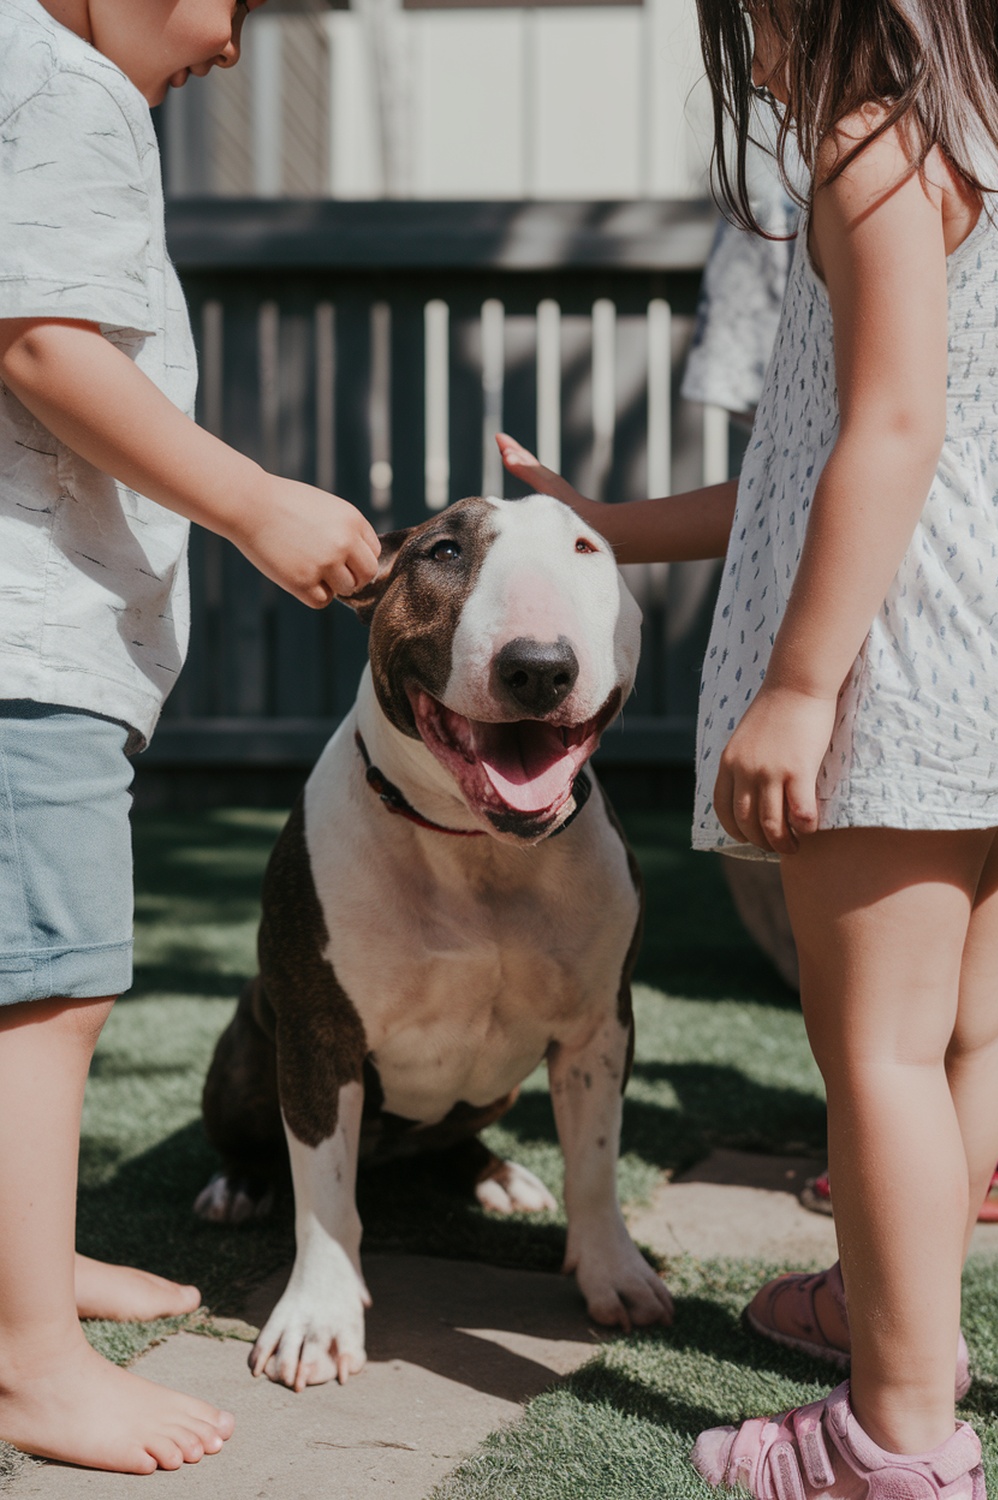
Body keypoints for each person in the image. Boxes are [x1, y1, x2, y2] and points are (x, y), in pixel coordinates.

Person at [497, 0, 998, 1490]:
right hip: (976, 640)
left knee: (881, 1058)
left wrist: (798, 685)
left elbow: (890, 429)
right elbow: (809, 454)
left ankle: (895, 1441)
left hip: (897, 659)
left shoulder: (868, 142)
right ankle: (888, 1312)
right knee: (959, 1035)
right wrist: (599, 523)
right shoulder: (968, 143)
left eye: (750, 26)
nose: (753, 59)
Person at [0, 0, 380, 1476]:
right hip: (28, 640)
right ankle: (31, 1361)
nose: (235, 46)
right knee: (49, 999)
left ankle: (22, 1273)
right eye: (238, 1)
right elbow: (40, 341)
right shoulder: (71, 83)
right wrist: (253, 502)